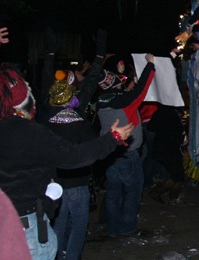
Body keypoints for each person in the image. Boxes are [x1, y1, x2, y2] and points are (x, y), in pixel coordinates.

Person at [0, 61, 134, 260]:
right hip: (28, 221)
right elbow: (74, 156)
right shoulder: (30, 129)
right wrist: (112, 139)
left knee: (60, 227)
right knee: (78, 226)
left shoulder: (44, 121)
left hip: (13, 217)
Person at [40, 29, 107, 260]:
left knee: (57, 227)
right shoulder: (78, 112)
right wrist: (99, 54)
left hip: (54, 183)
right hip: (77, 183)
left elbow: (47, 79)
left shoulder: (46, 116)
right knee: (78, 228)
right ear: (71, 95)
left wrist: (50, 52)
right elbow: (89, 83)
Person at [95, 54, 156, 237]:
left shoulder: (100, 101)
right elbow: (142, 90)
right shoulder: (125, 101)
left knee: (113, 191)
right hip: (127, 153)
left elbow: (123, 95)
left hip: (109, 152)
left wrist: (126, 87)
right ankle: (128, 228)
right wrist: (150, 65)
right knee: (133, 190)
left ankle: (113, 228)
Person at [146, 103, 186, 204]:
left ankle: (173, 197)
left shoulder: (162, 112)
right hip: (168, 149)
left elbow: (151, 127)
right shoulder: (170, 113)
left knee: (177, 173)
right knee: (178, 174)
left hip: (166, 148)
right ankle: (157, 192)